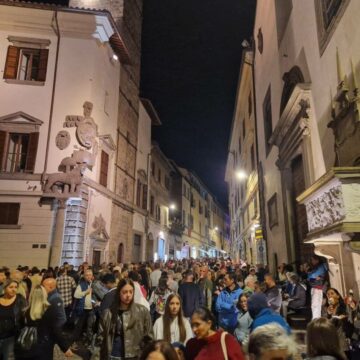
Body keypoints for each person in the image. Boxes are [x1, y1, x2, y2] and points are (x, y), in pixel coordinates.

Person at [98, 278, 153, 359]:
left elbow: (149, 339)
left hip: (134, 356)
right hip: (113, 355)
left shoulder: (143, 311)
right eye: (124, 292)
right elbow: (100, 340)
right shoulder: (108, 313)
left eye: (131, 292)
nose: (128, 295)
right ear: (119, 293)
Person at [14, 285, 73, 359]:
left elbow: (19, 329)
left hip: (27, 347)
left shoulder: (25, 311)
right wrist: (65, 348)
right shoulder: (50, 310)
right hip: (44, 347)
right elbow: (56, 330)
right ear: (45, 294)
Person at [0, 280, 26, 360]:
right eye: (11, 287)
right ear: (4, 288)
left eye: (16, 287)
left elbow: (25, 318)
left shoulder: (20, 300)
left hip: (12, 337)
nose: (14, 289)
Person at [325, 287, 351, 354]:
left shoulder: (344, 307)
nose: (330, 296)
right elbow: (324, 324)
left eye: (332, 293)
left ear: (338, 296)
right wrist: (328, 314)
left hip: (343, 338)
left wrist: (344, 317)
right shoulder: (326, 309)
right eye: (328, 294)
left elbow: (350, 319)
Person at [72, 269, 95, 344]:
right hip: (83, 309)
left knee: (89, 326)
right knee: (79, 326)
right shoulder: (81, 285)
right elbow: (76, 295)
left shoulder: (94, 284)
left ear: (92, 276)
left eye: (90, 275)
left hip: (92, 309)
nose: (88, 277)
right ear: (84, 276)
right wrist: (85, 292)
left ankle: (88, 341)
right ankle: (73, 341)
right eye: (87, 275)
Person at [308, 255, 328, 319]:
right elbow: (309, 278)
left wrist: (311, 277)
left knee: (316, 306)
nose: (311, 261)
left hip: (318, 288)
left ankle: (316, 322)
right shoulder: (316, 267)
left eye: (312, 260)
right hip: (315, 287)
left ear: (317, 260)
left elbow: (312, 275)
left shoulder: (321, 267)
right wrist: (312, 278)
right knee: (314, 306)